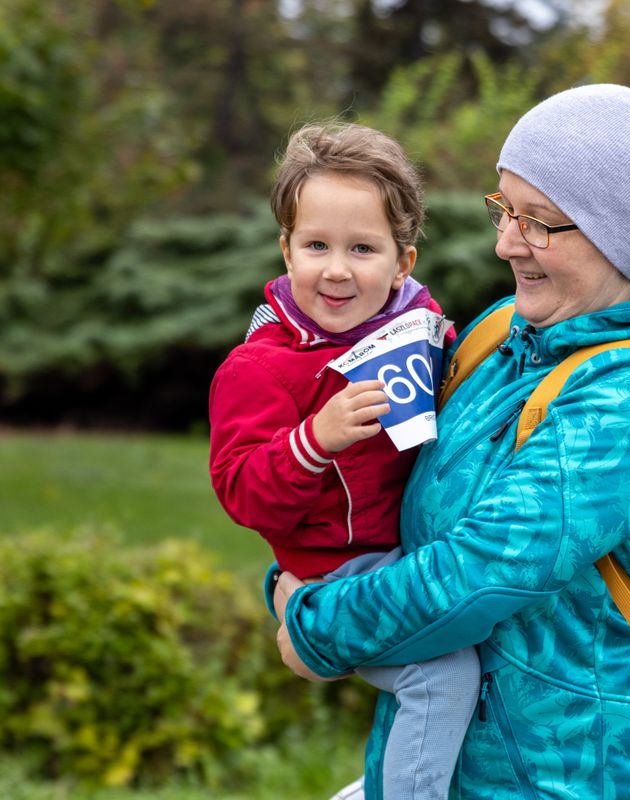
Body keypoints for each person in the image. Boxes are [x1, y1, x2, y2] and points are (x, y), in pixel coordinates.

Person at [273, 85, 630, 799]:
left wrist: (315, 622)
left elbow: (484, 569)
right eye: (505, 210)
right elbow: (385, 486)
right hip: (454, 768)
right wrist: (303, 572)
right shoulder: (509, 334)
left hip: (567, 777)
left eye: (540, 223)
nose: (506, 243)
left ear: (617, 232)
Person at [208, 122, 478, 800]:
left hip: (410, 549)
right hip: (336, 568)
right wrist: (314, 441)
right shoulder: (260, 368)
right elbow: (243, 492)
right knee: (441, 675)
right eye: (316, 245)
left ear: (402, 262)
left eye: (362, 248)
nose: (336, 268)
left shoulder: (419, 332)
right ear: (286, 249)